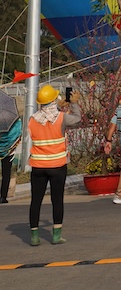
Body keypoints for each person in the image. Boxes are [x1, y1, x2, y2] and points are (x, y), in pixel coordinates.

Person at [28, 84, 81, 246]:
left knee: (35, 200)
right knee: (57, 200)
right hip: (57, 166)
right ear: (53, 100)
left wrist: (59, 105)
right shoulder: (61, 117)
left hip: (37, 166)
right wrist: (74, 103)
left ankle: (34, 236)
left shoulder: (32, 119)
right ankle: (56, 235)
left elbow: (46, 115)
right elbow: (77, 119)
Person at [1, 89, 21, 204]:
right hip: (8, 150)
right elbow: (18, 133)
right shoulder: (12, 119)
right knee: (6, 173)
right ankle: (3, 196)